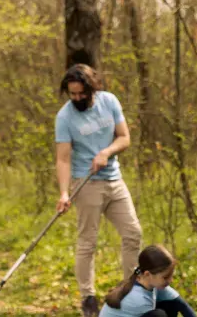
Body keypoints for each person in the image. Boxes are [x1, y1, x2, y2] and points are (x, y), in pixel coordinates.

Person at [53, 63, 143, 315]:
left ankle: (130, 289)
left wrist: (106, 151)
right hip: (86, 183)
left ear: (92, 88)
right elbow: (63, 158)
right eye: (72, 94)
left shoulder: (109, 102)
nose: (77, 98)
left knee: (133, 232)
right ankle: (88, 298)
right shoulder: (65, 117)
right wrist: (63, 192)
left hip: (114, 180)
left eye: (81, 93)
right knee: (88, 242)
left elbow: (124, 137)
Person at [101, 245, 197, 317]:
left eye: (171, 276)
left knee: (171, 304)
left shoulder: (148, 282)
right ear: (148, 274)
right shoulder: (139, 299)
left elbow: (181, 305)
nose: (170, 280)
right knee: (158, 315)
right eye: (165, 277)